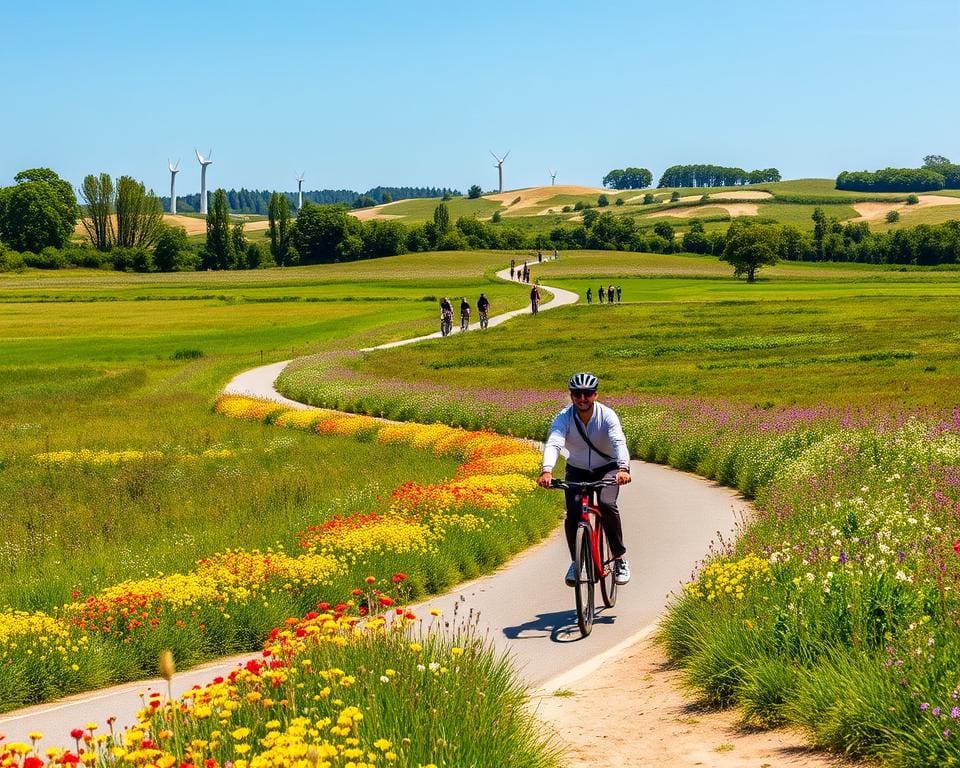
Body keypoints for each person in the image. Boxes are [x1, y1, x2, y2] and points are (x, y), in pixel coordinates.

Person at [538, 373, 632, 586]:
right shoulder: (564, 417)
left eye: (587, 394)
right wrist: (547, 470)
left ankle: (619, 559)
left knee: (607, 504)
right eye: (577, 394)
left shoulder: (607, 416)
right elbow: (554, 442)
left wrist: (623, 469)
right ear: (571, 396)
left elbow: (618, 442)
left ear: (595, 395)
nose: (582, 398)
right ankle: (576, 561)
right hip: (577, 469)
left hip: (608, 469)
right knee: (573, 513)